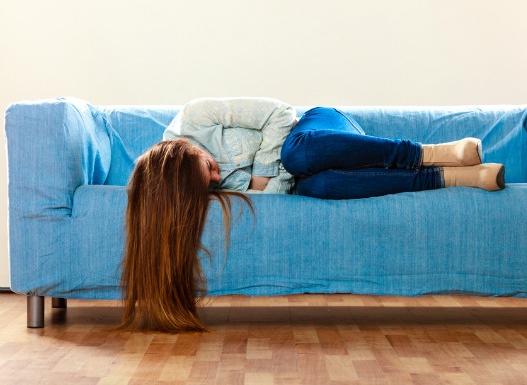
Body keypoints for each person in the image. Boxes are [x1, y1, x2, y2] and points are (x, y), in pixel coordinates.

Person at [119, 97, 504, 332]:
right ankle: (451, 176)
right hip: (309, 177)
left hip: (319, 135)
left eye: (210, 168)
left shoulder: (194, 117)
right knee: (320, 188)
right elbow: (275, 198)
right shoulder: (184, 187)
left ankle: (427, 153)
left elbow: (278, 114)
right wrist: (272, 186)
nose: (218, 179)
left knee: (296, 154)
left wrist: (262, 176)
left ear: (187, 153)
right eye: (212, 185)